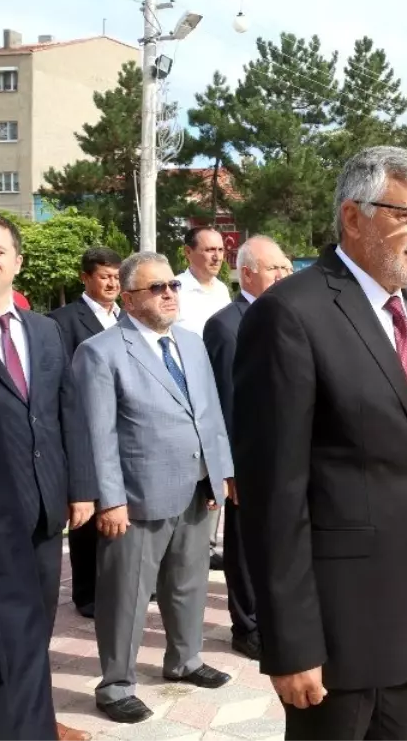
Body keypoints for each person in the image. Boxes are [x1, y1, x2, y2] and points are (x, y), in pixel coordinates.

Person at [232, 146, 407, 740]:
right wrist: (291, 642)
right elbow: (274, 497)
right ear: (354, 218)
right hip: (339, 635)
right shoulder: (289, 316)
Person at [73, 251, 235, 724]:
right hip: (137, 498)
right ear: (128, 298)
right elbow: (95, 433)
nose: (169, 294)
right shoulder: (101, 352)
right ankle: (116, 685)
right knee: (126, 596)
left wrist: (219, 472)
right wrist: (111, 500)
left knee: (188, 584)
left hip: (196, 487)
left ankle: (184, 661)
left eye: (173, 286)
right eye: (157, 288)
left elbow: (211, 413)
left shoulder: (191, 342)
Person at [0, 214, 97, 741]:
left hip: (46, 511)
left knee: (36, 627)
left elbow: (67, 413)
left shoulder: (45, 331)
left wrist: (81, 489)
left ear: (17, 263)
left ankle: (35, 722)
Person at [202, 236, 291, 662]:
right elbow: (224, 401)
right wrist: (230, 467)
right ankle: (247, 625)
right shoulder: (225, 324)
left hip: (286, 453)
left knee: (279, 539)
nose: (284, 276)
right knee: (243, 543)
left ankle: (274, 615)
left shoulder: (288, 315)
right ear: (249, 272)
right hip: (247, 458)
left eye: (286, 268)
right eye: (276, 269)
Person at [49, 246, 123, 620]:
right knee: (87, 512)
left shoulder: (126, 317)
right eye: (103, 276)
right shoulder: (63, 321)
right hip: (83, 426)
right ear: (85, 278)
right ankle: (87, 593)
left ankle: (121, 586)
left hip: (122, 428)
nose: (111, 283)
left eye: (116, 275)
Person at [175, 226, 232, 570]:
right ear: (188, 253)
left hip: (219, 389)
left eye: (221, 251)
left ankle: (209, 544)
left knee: (218, 465)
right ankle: (183, 541)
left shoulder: (223, 290)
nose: (216, 257)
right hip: (187, 391)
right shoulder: (177, 290)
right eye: (208, 250)